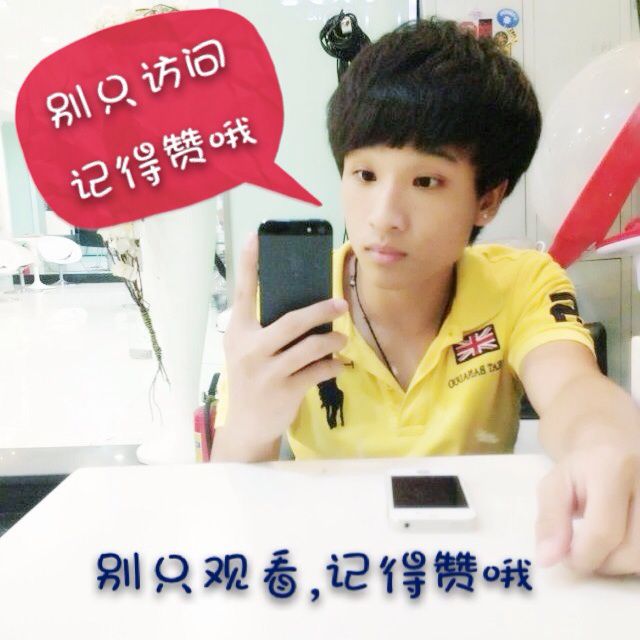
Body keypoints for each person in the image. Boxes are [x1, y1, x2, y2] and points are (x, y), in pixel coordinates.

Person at [211, 18, 640, 577]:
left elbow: (573, 388)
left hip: (474, 571)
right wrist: (248, 425)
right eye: (365, 174)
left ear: (487, 200)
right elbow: (229, 504)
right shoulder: (288, 309)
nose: (384, 217)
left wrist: (605, 443)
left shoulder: (522, 283)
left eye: (426, 181)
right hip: (331, 574)